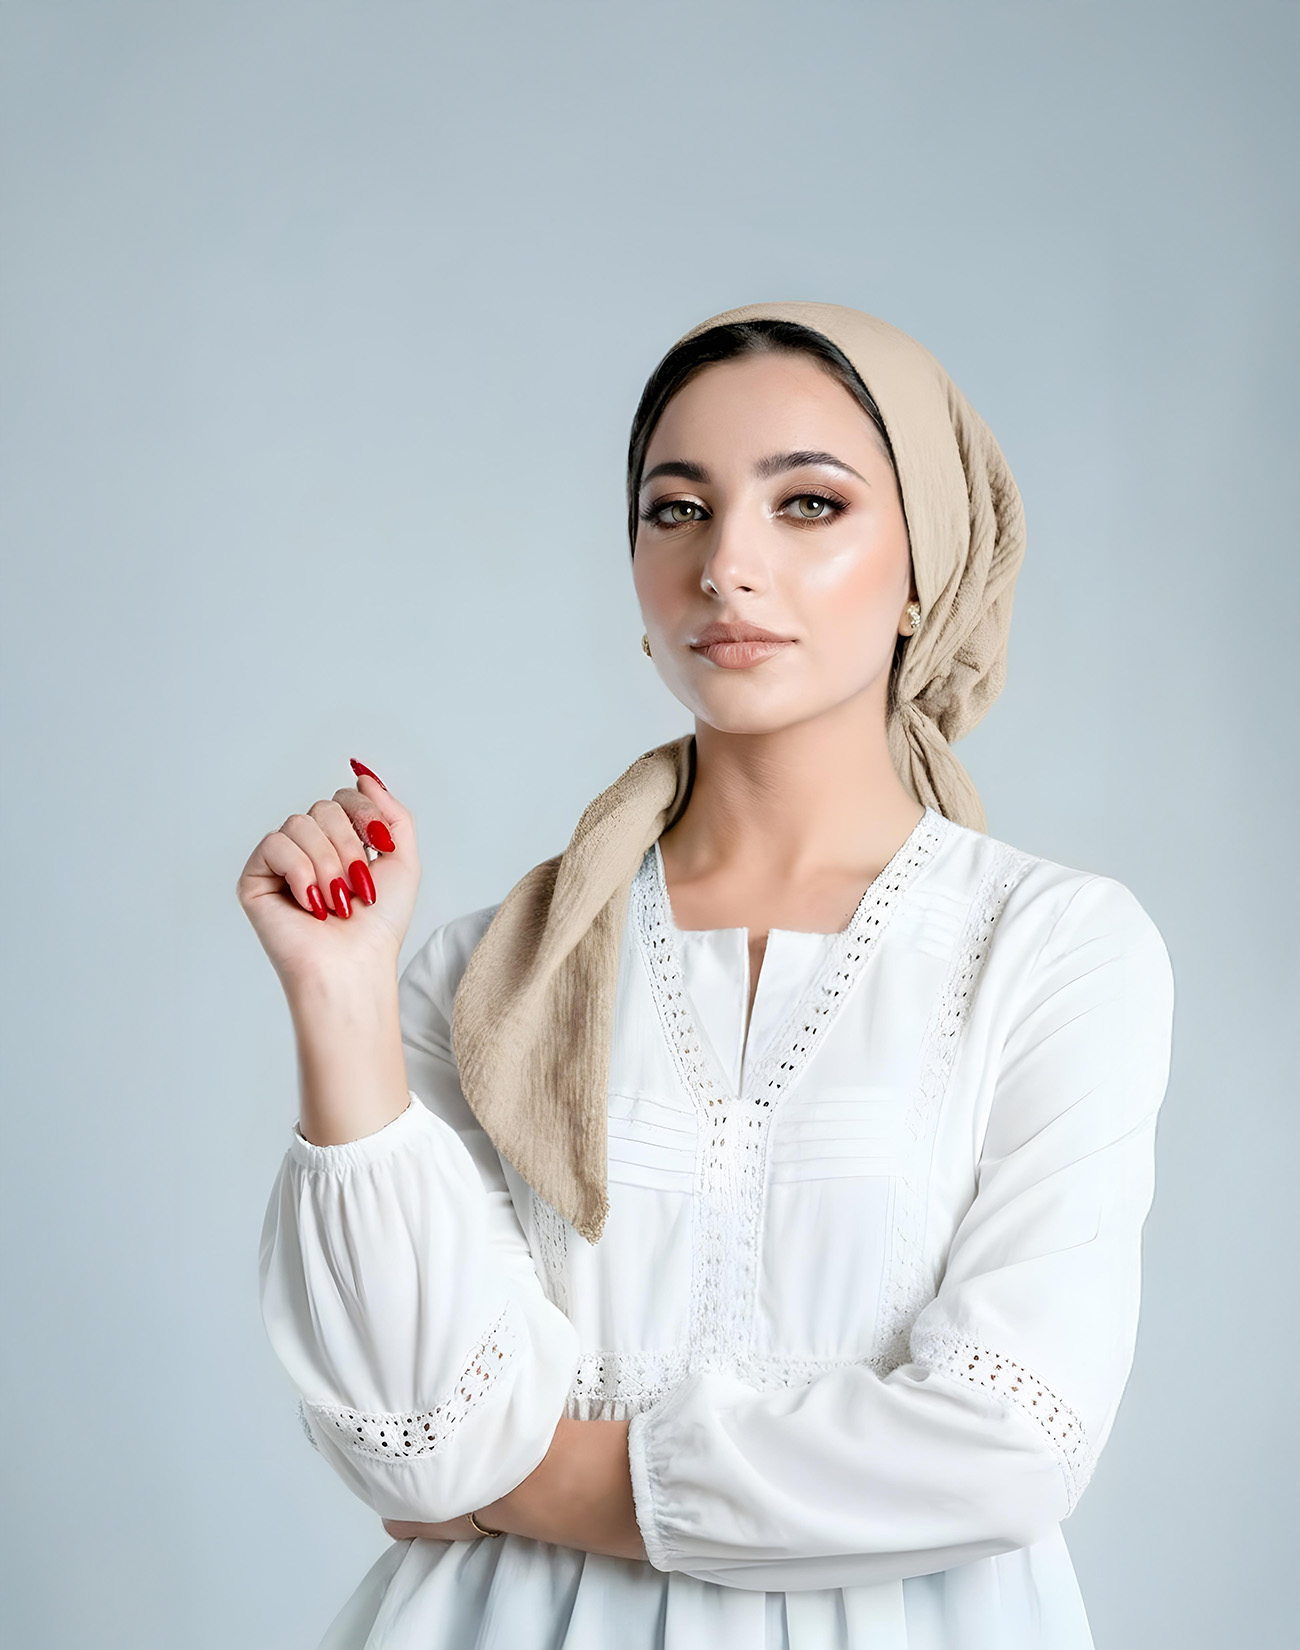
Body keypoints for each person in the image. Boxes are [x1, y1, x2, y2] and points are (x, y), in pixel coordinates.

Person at [239, 301, 1175, 1649]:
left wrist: (518, 1483)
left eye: (809, 505)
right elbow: (412, 1429)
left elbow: (1008, 1440)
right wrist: (339, 993)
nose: (727, 565)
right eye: (677, 510)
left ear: (927, 565)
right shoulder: (491, 972)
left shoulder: (1052, 948)